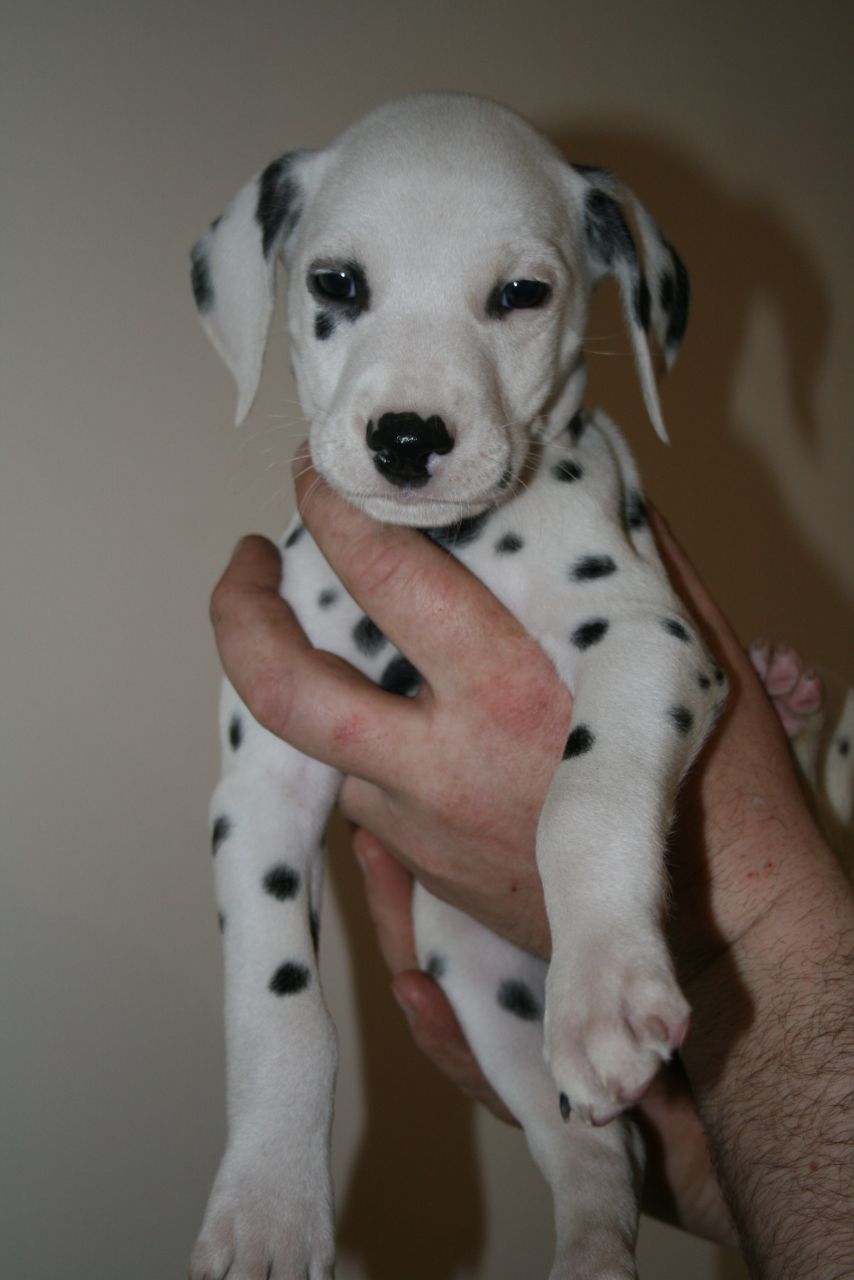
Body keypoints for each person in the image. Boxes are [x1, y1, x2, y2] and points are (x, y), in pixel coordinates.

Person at [210, 458, 854, 1280]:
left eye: (511, 312)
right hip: (497, 935)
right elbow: (259, 807)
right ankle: (595, 1209)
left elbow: (643, 652)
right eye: (342, 314)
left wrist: (731, 911)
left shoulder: (570, 492)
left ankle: (592, 1211)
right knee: (458, 964)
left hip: (653, 860)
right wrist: (274, 1121)